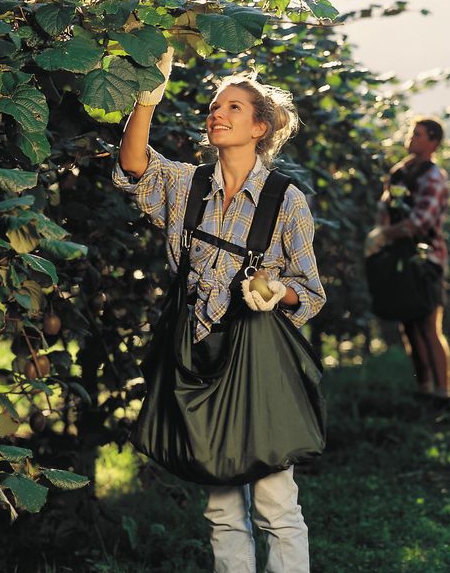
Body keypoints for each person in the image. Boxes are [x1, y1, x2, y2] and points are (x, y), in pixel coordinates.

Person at [113, 48, 325, 573]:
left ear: (260, 127)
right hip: (197, 356)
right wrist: (145, 100)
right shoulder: (186, 185)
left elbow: (310, 291)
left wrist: (276, 290)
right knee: (221, 506)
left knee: (276, 502)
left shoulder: (286, 200)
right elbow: (134, 165)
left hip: (256, 362)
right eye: (214, 106)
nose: (217, 114)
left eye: (233, 107)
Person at [377, 118, 450, 406]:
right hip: (399, 257)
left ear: (433, 142)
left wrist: (386, 234)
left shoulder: (433, 178)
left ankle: (443, 393)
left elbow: (421, 222)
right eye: (412, 132)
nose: (411, 138)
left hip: (427, 259)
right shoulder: (400, 172)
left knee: (428, 324)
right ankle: (424, 388)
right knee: (408, 324)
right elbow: (385, 206)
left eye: (418, 134)